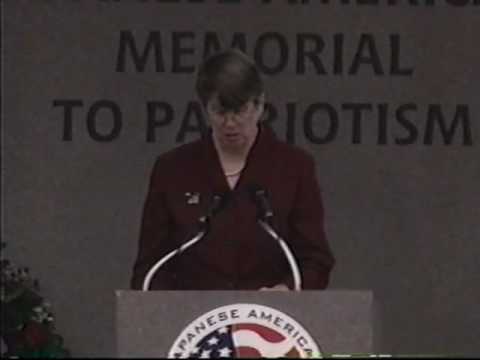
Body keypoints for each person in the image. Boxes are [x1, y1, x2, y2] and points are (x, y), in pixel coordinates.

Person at [130, 49, 335, 291]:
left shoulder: (294, 167)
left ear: (259, 106)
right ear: (205, 108)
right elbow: (150, 266)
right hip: (192, 321)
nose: (229, 123)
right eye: (219, 111)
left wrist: (287, 290)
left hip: (269, 320)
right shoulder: (173, 169)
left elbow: (316, 260)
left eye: (239, 111)